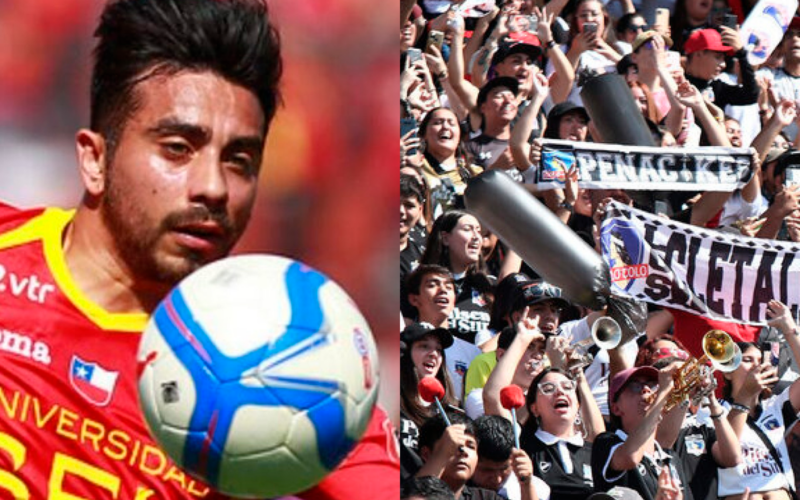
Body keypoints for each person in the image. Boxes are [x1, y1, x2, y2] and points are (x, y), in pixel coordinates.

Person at [0, 0, 398, 498]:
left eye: (239, 160)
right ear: (94, 158)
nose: (212, 187)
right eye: (177, 149)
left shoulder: (301, 375)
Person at [717, 300, 800, 500]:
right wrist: (745, 396)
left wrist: (790, 330)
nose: (756, 365)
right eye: (747, 360)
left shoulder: (776, 406)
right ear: (727, 373)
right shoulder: (712, 410)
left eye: (759, 360)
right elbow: (725, 454)